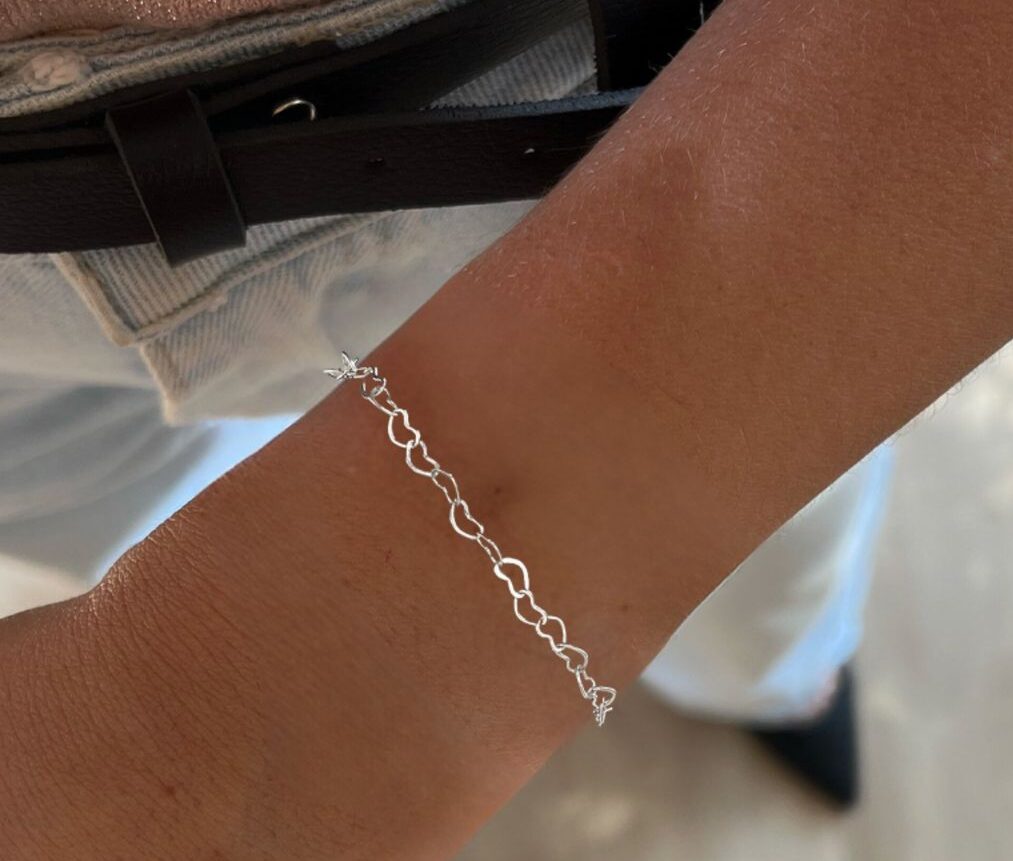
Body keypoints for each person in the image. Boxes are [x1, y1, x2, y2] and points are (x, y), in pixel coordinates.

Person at [1, 0, 1009, 857]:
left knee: (749, 585)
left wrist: (229, 710)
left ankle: (773, 684)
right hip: (23, 329)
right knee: (127, 524)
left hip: (508, 115)